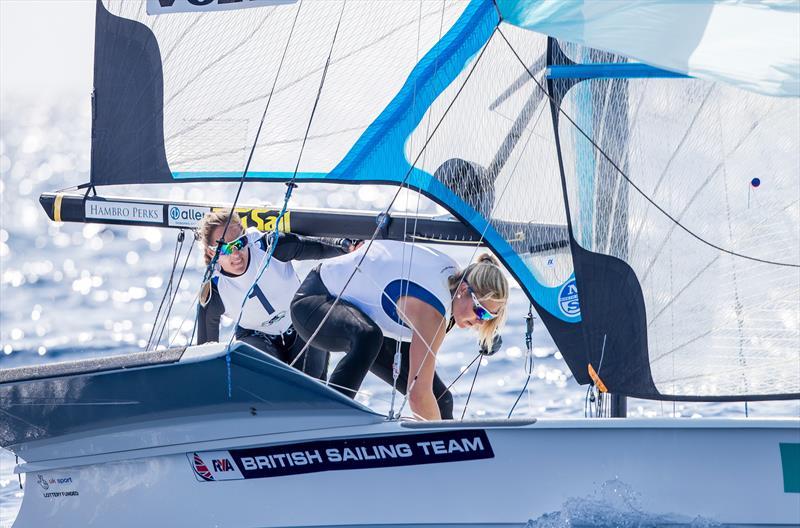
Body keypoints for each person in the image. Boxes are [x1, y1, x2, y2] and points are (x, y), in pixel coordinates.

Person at [290, 240, 508, 420]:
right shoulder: (432, 314)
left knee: (442, 401)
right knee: (367, 337)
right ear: (463, 289)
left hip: (365, 319)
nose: (481, 321)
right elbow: (418, 396)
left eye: (489, 316)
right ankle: (331, 421)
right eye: (480, 311)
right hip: (314, 302)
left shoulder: (453, 283)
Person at [197, 211, 357, 380]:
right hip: (256, 336)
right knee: (263, 371)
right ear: (210, 253)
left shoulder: (270, 247)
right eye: (226, 249)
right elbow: (206, 353)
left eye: (240, 243)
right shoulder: (214, 290)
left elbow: (320, 246)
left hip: (299, 324)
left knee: (310, 381)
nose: (236, 254)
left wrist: (349, 245)